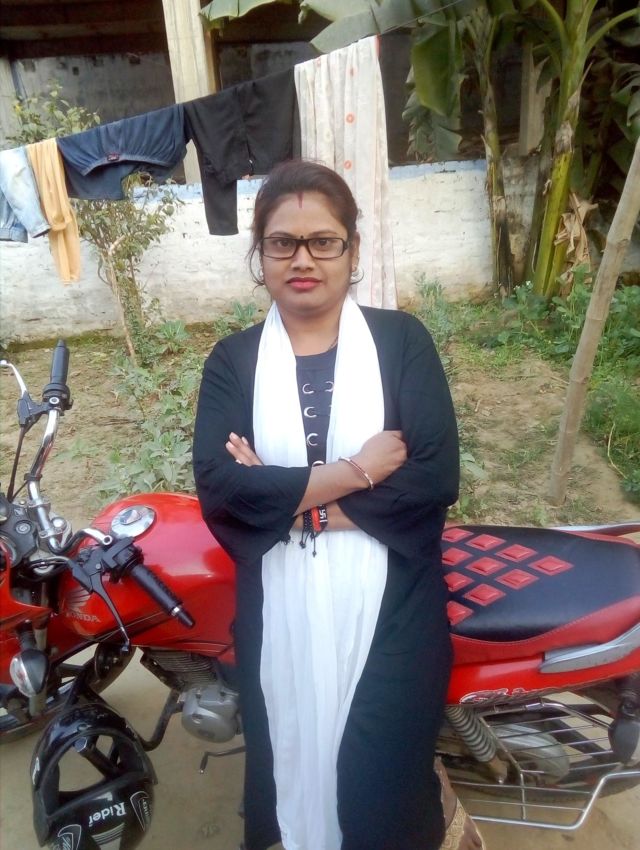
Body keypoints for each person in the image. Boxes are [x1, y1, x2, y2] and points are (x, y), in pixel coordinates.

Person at [193, 160, 484, 850]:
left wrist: (295, 503)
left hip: (395, 609)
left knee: (379, 789)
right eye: (282, 242)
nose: (303, 259)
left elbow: (433, 477)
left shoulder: (401, 342)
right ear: (260, 254)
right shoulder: (232, 362)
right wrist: (357, 472)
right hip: (279, 610)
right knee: (286, 768)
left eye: (323, 241)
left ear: (352, 250)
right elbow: (223, 488)